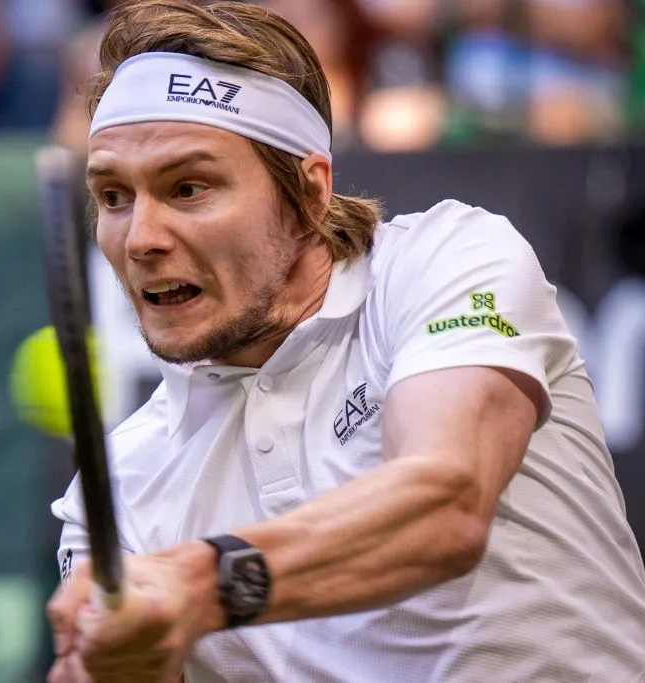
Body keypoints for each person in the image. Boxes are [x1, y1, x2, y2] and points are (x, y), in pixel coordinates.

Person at [46, 1, 645, 682]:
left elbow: (445, 502)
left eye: (188, 187)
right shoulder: (121, 489)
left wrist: (201, 583)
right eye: (114, 196)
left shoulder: (448, 257)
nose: (142, 238)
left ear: (308, 194)